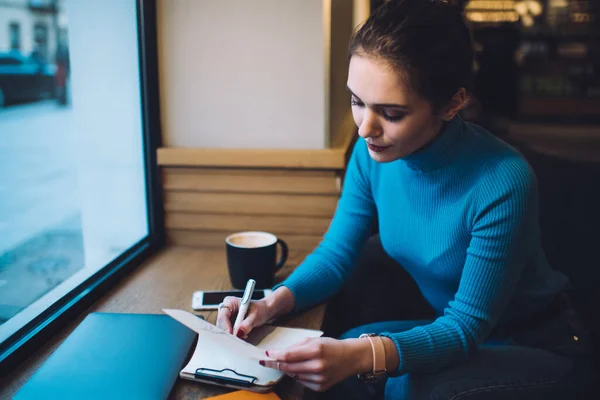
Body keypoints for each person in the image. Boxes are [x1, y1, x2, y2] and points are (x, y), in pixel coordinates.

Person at [216, 0, 591, 398]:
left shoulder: (502, 180)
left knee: (405, 385)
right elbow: (336, 255)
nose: (365, 129)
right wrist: (272, 302)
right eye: (357, 102)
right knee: (338, 360)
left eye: (391, 113)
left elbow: (465, 327)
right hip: (460, 330)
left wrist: (363, 356)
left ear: (452, 104)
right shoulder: (371, 154)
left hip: (537, 344)